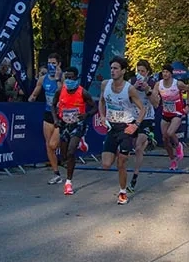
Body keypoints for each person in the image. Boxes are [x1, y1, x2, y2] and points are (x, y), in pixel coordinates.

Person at [98, 56, 146, 205]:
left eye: (116, 68)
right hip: (112, 127)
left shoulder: (129, 89)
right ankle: (120, 152)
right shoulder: (105, 84)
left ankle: (122, 192)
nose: (112, 71)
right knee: (106, 164)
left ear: (123, 71)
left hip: (126, 127)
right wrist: (102, 116)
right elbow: (101, 101)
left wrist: (136, 125)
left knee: (121, 163)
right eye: (111, 68)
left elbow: (142, 108)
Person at [52, 66, 96, 196]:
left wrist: (86, 115)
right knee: (64, 155)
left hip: (78, 123)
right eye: (67, 77)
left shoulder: (83, 92)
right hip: (64, 124)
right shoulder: (60, 90)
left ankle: (68, 183)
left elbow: (94, 108)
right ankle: (80, 143)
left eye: (71, 77)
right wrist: (55, 119)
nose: (69, 80)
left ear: (76, 78)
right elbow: (53, 105)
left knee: (71, 152)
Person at [28, 53, 64, 184]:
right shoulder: (43, 79)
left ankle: (67, 141)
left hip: (61, 115)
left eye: (54, 63)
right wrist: (32, 97)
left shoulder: (64, 78)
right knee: (48, 145)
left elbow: (61, 92)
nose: (51, 65)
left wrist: (58, 79)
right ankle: (56, 173)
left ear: (59, 64)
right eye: (49, 63)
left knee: (53, 144)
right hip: (48, 113)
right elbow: (36, 92)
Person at [129, 59, 159, 193]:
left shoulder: (152, 83)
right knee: (137, 146)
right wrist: (134, 88)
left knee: (137, 147)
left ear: (147, 73)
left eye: (142, 71)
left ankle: (135, 176)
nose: (140, 74)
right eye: (138, 71)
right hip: (133, 117)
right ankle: (149, 140)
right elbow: (125, 98)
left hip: (147, 117)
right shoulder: (131, 81)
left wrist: (148, 90)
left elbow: (156, 103)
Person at [156, 64, 189, 170]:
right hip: (166, 113)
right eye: (163, 72)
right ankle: (172, 160)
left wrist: (188, 105)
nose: (165, 74)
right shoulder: (159, 84)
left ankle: (178, 145)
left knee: (170, 133)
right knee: (165, 139)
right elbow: (153, 95)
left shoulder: (177, 84)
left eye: (167, 72)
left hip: (177, 112)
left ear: (171, 73)